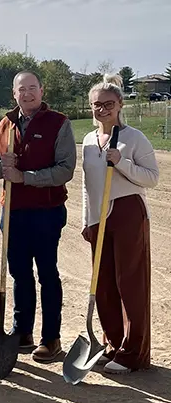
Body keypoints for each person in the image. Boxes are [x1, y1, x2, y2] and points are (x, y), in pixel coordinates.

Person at [0, 70, 76, 363]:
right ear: (14, 93)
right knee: (18, 274)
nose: (27, 94)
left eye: (32, 88)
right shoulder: (5, 123)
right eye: (21, 89)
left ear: (42, 90)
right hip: (11, 211)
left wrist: (25, 177)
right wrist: (2, 167)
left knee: (47, 274)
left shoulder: (59, 123)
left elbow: (65, 170)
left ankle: (51, 338)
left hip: (46, 212)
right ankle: (22, 331)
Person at [81, 74, 159, 374]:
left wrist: (122, 163)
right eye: (96, 105)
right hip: (98, 216)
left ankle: (132, 353)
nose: (102, 110)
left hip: (128, 212)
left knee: (130, 284)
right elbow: (87, 186)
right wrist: (86, 220)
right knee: (103, 285)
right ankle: (113, 343)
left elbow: (152, 177)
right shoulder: (88, 140)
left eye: (108, 104)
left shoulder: (134, 137)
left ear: (120, 104)